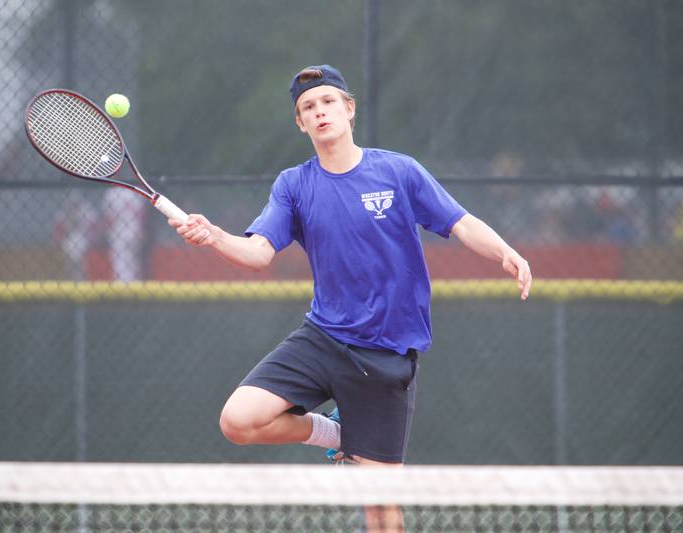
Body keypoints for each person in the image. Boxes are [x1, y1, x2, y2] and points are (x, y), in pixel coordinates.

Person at [170, 64, 532, 529]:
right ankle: (335, 432)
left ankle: (355, 440)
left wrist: (505, 251)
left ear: (348, 109)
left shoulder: (399, 171)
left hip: (385, 355)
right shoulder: (294, 185)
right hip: (323, 338)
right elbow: (258, 253)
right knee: (239, 420)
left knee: (380, 509)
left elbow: (459, 221)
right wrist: (214, 236)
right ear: (300, 124)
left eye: (326, 102)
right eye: (307, 108)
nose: (319, 112)